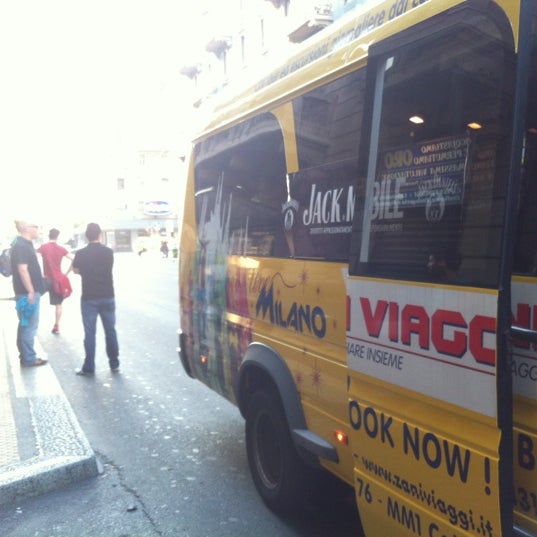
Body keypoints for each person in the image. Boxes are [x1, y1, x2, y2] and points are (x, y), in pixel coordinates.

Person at [72, 223, 120, 376]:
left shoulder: (80, 253)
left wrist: (85, 271)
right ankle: (114, 363)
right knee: (110, 331)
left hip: (89, 297)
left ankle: (89, 367)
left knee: (90, 333)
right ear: (100, 234)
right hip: (107, 295)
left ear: (87, 236)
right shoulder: (108, 252)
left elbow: (75, 270)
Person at [10, 220, 48, 367]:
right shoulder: (21, 245)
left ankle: (26, 356)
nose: (38, 229)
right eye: (36, 226)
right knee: (29, 326)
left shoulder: (22, 244)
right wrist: (31, 290)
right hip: (27, 294)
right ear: (26, 228)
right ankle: (29, 358)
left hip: (25, 293)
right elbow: (22, 269)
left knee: (25, 324)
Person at [37, 228, 73, 334]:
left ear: (49, 235)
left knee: (34, 297)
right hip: (57, 280)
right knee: (58, 304)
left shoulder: (43, 247)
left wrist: (40, 273)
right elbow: (74, 259)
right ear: (57, 237)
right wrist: (66, 274)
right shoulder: (61, 249)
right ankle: (56, 326)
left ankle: (30, 323)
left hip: (46, 279)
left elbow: (35, 258)